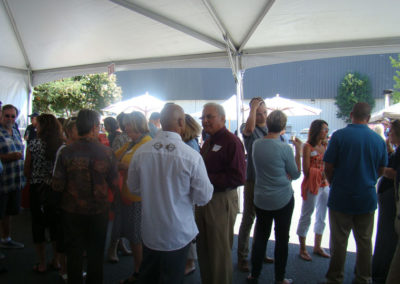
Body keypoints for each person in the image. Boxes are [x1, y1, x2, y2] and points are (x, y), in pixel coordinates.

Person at [127, 103, 213, 284]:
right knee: (173, 278)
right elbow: (204, 197)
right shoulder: (191, 156)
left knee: (149, 277)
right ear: (181, 122)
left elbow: (133, 188)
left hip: (150, 230)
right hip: (177, 233)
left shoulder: (141, 152)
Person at [52, 109, 120, 284]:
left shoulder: (66, 152)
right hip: (99, 211)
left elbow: (57, 184)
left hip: (71, 211)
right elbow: (114, 183)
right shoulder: (106, 153)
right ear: (95, 127)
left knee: (73, 253)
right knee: (95, 255)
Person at [322, 102, 387, 284]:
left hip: (341, 197)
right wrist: (371, 180)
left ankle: (335, 278)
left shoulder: (339, 137)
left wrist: (335, 183)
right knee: (365, 242)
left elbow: (328, 166)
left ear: (351, 114)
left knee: (339, 242)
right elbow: (382, 169)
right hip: (366, 197)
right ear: (368, 118)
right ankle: (363, 278)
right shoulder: (378, 141)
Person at [247, 110, 301, 284]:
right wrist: (298, 152)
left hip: (261, 197)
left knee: (260, 235)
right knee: (282, 238)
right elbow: (295, 174)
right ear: (283, 127)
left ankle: (254, 274)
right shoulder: (285, 148)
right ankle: (279, 278)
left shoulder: (257, 144)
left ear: (267, 124)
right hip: (282, 198)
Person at [196, 102, 246, 284]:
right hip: (205, 200)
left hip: (221, 200)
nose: (205, 121)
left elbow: (239, 177)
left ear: (223, 119)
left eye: (210, 116)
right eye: (203, 117)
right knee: (205, 250)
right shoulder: (209, 141)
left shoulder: (231, 142)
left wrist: (205, 178)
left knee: (219, 252)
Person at [109, 112, 151, 284]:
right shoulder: (131, 142)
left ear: (136, 124)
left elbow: (133, 166)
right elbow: (112, 157)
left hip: (137, 198)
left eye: (127, 124)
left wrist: (120, 165)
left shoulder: (146, 143)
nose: (124, 127)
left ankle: (139, 273)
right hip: (127, 195)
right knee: (133, 237)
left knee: (136, 238)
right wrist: (120, 164)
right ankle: (138, 270)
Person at [24, 114, 64, 273]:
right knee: (56, 225)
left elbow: (27, 169)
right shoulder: (62, 145)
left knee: (38, 226)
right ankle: (57, 260)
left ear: (42, 127)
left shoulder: (33, 144)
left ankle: (41, 263)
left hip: (37, 189)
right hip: (55, 189)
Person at [237, 97, 273, 272]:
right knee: (248, 218)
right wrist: (252, 108)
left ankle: (259, 252)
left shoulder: (271, 129)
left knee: (264, 219)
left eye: (265, 112)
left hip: (268, 182)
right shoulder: (248, 128)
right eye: (258, 113)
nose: (262, 116)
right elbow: (250, 128)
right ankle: (243, 256)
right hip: (252, 180)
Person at [296, 119, 330, 261]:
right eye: (324, 129)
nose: (326, 132)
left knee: (322, 216)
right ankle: (303, 248)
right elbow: (306, 171)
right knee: (306, 214)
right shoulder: (308, 147)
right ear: (317, 130)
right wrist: (321, 173)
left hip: (325, 185)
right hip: (312, 185)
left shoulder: (326, 145)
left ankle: (317, 245)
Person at [0, 104, 25, 249]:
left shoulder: (15, 132)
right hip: (2, 180)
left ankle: (6, 238)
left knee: (9, 212)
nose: (10, 118)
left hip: (14, 179)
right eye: (7, 115)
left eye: (12, 116)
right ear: (2, 116)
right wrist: (8, 157)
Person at [378, 120, 400, 284]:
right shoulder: (396, 150)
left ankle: (382, 273)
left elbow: (394, 173)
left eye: (390, 131)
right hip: (389, 198)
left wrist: (380, 169)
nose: (388, 134)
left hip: (392, 201)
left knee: (387, 236)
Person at [181, 114, 201, 275]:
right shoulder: (189, 143)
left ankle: (190, 262)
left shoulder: (189, 145)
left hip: (188, 194)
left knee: (189, 227)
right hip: (186, 193)